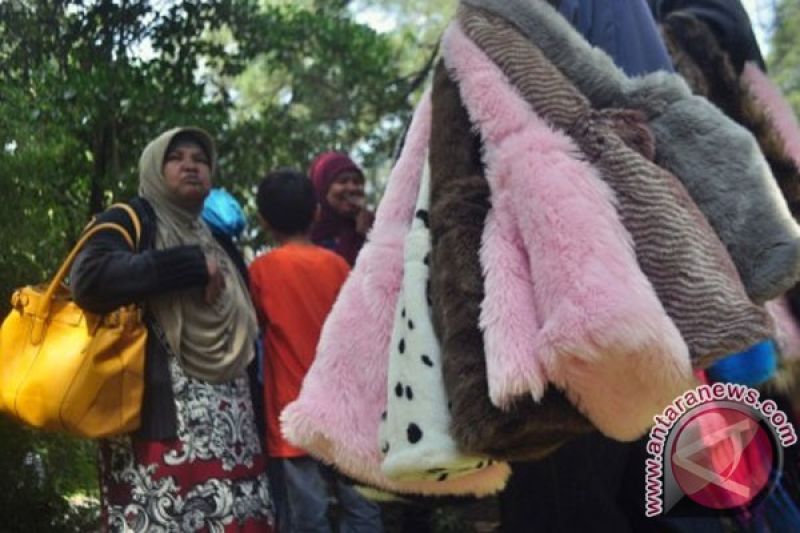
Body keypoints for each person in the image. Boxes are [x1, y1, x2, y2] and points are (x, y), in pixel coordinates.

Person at [70, 127, 274, 532]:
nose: (190, 165)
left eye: (200, 159)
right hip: (157, 430)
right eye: (176, 157)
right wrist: (189, 265)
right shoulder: (130, 220)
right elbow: (88, 279)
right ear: (154, 167)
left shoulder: (219, 241)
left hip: (235, 434)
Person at [249, 168, 383, 532]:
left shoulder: (261, 272)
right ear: (317, 213)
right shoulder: (338, 266)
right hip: (347, 412)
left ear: (263, 221)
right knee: (363, 509)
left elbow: (252, 333)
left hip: (295, 415)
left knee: (307, 518)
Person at [308, 152, 374, 265]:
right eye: (342, 181)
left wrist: (369, 234)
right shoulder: (307, 236)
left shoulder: (376, 226)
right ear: (323, 189)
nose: (352, 188)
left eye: (357, 182)